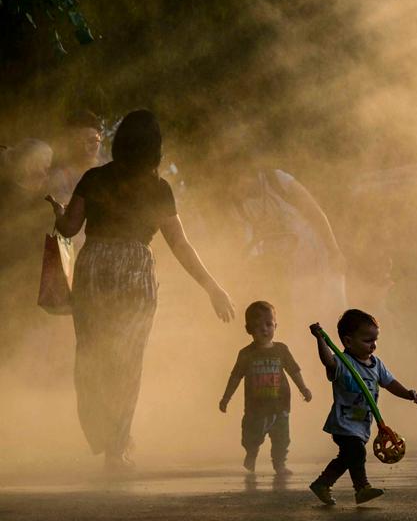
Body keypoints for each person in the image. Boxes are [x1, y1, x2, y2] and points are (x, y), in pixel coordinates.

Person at [48, 109, 235, 471]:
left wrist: (58, 212)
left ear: (118, 143)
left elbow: (69, 230)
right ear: (155, 148)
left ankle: (101, 432)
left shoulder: (94, 178)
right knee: (127, 362)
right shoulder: (158, 188)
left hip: (94, 267)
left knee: (91, 354)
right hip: (135, 271)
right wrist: (212, 287)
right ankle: (117, 448)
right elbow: (180, 244)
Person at [308, 309, 417, 506]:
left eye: (375, 340)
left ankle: (322, 483)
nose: (373, 345)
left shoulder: (376, 364)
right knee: (357, 453)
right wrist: (320, 339)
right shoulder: (343, 363)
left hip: (361, 424)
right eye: (367, 340)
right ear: (349, 341)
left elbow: (390, 383)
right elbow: (327, 360)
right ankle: (362, 488)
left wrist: (407, 393)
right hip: (343, 423)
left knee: (347, 458)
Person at [233, 168, 347, 325]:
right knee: (305, 318)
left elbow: (315, 212)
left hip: (316, 254)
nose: (238, 188)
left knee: (336, 312)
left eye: (239, 180)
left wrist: (334, 250)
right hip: (289, 270)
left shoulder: (277, 180)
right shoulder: (241, 205)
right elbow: (249, 246)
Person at [219, 300, 312, 474]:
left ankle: (280, 464)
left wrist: (304, 388)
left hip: (280, 405)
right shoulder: (246, 354)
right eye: (258, 325)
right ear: (249, 329)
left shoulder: (281, 350)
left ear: (276, 325)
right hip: (256, 409)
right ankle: (251, 453)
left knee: (282, 438)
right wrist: (226, 398)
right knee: (251, 436)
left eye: (269, 324)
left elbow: (294, 371)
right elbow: (235, 377)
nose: (264, 329)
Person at [0, 140, 55, 353]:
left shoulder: (41, 198)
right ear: (29, 163)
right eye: (45, 163)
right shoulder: (9, 194)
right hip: (11, 278)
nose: (47, 171)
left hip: (28, 283)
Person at [48, 110, 103, 206]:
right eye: (78, 143)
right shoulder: (59, 178)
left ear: (101, 137)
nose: (86, 148)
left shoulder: (111, 169)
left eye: (92, 141)